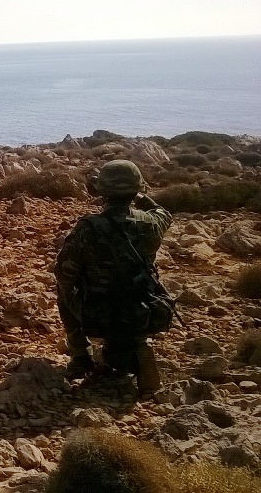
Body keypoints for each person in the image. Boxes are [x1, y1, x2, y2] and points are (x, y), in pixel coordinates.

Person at [54, 159, 173, 396]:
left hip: (98, 315)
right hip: (144, 311)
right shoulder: (151, 224)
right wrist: (141, 196)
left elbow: (64, 274)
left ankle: (81, 357)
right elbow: (164, 214)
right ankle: (137, 343)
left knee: (63, 290)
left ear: (102, 191)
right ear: (137, 189)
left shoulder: (89, 228)